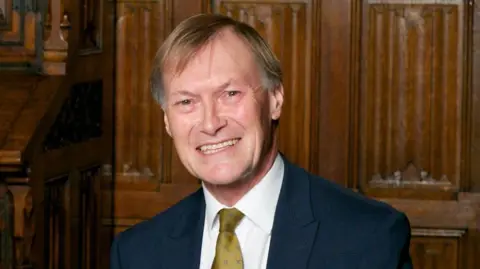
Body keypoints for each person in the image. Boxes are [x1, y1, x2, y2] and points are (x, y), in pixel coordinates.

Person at [110, 14, 413, 269]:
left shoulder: (369, 238)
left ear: (275, 99)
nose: (211, 123)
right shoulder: (137, 254)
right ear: (167, 121)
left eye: (230, 94)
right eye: (187, 102)